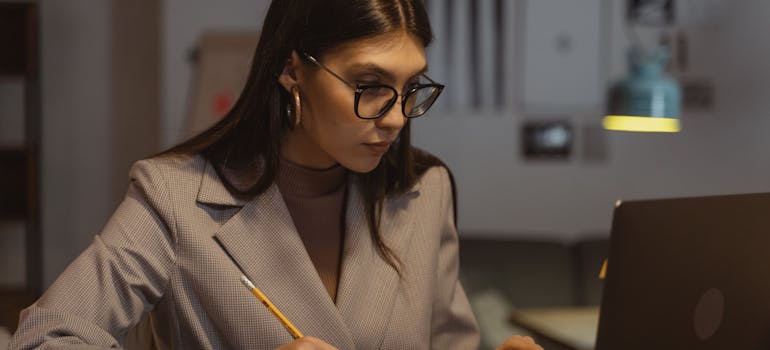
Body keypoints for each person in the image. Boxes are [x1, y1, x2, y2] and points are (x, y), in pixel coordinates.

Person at [10, 0, 543, 349]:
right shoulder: (175, 198)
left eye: (411, 88)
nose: (397, 116)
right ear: (293, 71)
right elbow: (45, 339)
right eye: (369, 85)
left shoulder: (424, 193)